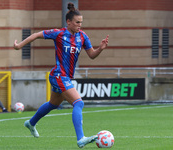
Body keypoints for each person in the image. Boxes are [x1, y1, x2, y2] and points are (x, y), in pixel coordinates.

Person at [13, 3, 109, 148]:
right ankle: (80, 138)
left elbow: (92, 55)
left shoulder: (82, 37)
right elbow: (36, 35)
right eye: (77, 22)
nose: (80, 25)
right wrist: (20, 45)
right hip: (58, 75)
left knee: (53, 104)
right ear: (68, 22)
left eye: (81, 22)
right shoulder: (58, 33)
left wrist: (100, 49)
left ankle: (30, 123)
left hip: (65, 77)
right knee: (79, 103)